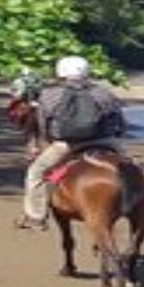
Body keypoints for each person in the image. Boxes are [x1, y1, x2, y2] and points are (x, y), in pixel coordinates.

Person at [16, 55, 127, 230]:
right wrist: (116, 138)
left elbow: (44, 125)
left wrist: (43, 143)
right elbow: (119, 123)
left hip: (67, 144)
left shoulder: (50, 95)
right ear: (86, 72)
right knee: (133, 169)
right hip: (104, 141)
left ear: (60, 72)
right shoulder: (103, 93)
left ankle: (36, 217)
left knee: (35, 173)